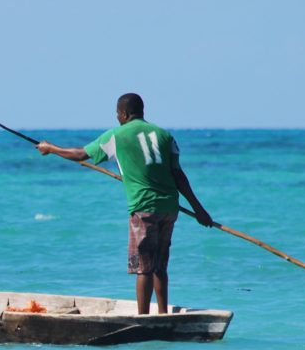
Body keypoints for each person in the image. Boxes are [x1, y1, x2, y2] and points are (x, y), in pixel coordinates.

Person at [35, 93, 214, 314]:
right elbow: (179, 176)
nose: (117, 118)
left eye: (118, 114)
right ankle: (163, 314)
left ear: (125, 114)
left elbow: (81, 154)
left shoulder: (117, 135)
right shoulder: (165, 136)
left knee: (143, 268)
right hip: (169, 207)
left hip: (143, 208)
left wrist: (51, 148)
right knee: (160, 266)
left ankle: (143, 318)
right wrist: (199, 210)